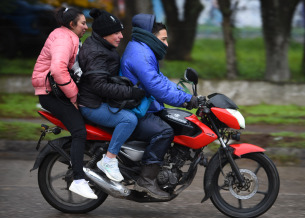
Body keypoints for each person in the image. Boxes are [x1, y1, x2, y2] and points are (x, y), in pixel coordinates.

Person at [120, 14, 199, 199]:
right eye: (163, 39)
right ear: (150, 36)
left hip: (144, 106)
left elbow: (160, 80)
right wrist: (187, 101)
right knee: (164, 131)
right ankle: (147, 179)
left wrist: (188, 96)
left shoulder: (142, 50)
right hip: (137, 110)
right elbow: (157, 87)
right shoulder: (140, 54)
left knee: (173, 119)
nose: (167, 44)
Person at [32, 7, 97, 199]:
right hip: (50, 93)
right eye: (83, 23)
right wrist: (74, 96)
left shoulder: (67, 36)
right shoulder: (62, 39)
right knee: (79, 131)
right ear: (72, 24)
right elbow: (59, 70)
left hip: (55, 91)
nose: (86, 26)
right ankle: (78, 179)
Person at [77, 9, 145, 183]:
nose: (121, 36)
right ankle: (109, 159)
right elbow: (100, 86)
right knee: (129, 120)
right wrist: (130, 92)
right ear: (104, 34)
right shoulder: (96, 53)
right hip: (92, 105)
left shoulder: (103, 46)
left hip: (99, 100)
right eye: (116, 32)